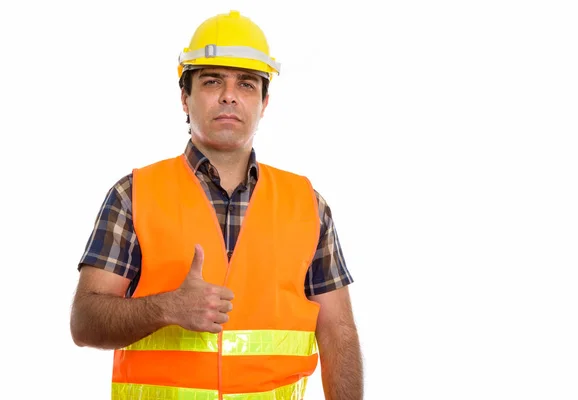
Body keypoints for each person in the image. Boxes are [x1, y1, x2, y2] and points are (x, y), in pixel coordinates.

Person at [70, 9, 363, 400]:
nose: (229, 95)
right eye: (212, 81)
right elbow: (85, 322)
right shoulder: (133, 194)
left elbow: (337, 330)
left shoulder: (309, 206)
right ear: (184, 98)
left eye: (246, 84)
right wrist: (166, 308)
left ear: (264, 102)